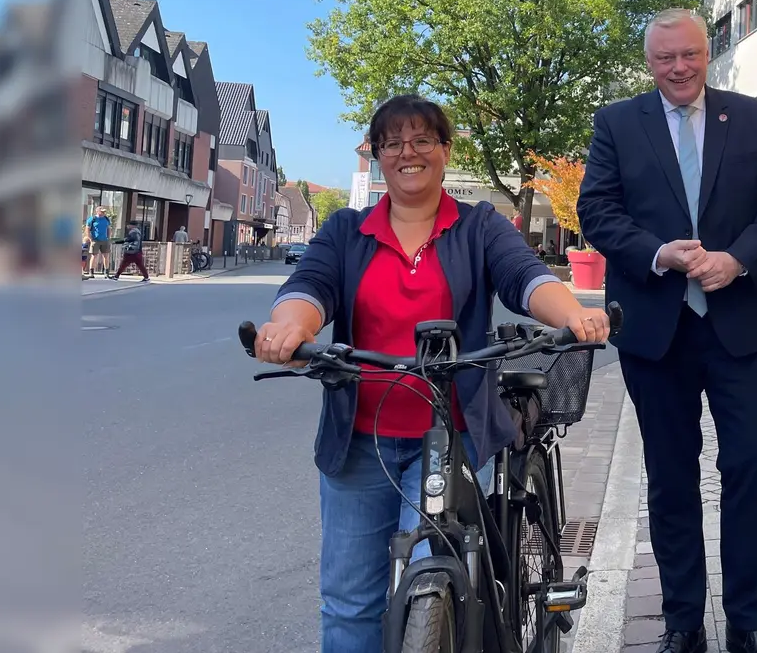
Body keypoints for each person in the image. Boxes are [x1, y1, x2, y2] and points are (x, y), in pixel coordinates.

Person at [254, 95, 610, 653]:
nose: (407, 152)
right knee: (350, 601)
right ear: (376, 156)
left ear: (445, 150)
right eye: (392, 143)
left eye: (423, 140)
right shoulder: (346, 230)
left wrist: (574, 316)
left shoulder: (479, 226)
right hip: (359, 444)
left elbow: (525, 277)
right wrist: (288, 329)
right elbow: (308, 289)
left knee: (436, 574)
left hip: (450, 438)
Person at [577, 8, 757, 653]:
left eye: (689, 56)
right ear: (648, 62)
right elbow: (597, 210)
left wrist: (737, 260)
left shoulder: (751, 116)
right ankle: (682, 622)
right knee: (671, 476)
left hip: (740, 326)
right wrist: (658, 253)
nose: (678, 68)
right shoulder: (618, 122)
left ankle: (749, 622)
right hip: (657, 327)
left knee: (753, 464)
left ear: (710, 53)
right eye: (664, 58)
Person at [85, 207, 111, 277]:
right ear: (97, 211)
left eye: (104, 212)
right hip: (95, 240)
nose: (103, 213)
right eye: (102, 212)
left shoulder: (106, 219)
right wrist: (90, 238)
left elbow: (108, 229)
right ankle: (91, 272)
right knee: (94, 256)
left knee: (106, 256)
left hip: (104, 240)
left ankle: (106, 272)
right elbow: (87, 229)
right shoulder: (92, 219)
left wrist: (108, 237)